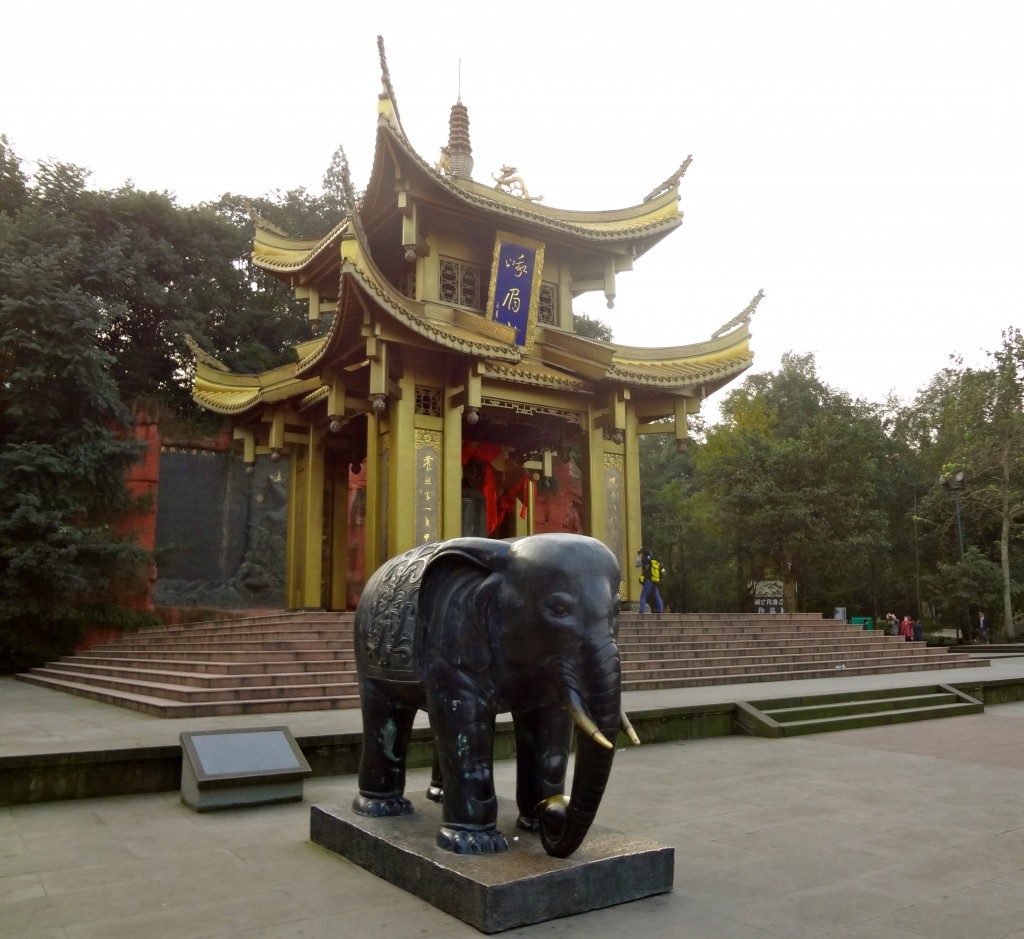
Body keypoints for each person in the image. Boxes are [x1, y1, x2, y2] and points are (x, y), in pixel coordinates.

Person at [635, 546, 664, 614]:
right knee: (656, 595)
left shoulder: (646, 559)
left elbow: (637, 565)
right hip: (655, 580)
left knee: (643, 595)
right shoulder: (653, 559)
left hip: (649, 579)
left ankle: (642, 611)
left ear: (643, 553)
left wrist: (639, 556)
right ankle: (660, 610)